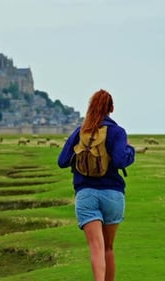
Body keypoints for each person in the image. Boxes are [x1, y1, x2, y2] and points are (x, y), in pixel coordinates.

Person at [57, 89, 135, 281]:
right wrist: (130, 150)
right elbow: (119, 160)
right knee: (108, 247)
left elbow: (62, 161)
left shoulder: (80, 132)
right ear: (112, 108)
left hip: (86, 194)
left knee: (96, 248)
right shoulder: (117, 132)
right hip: (113, 194)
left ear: (91, 107)